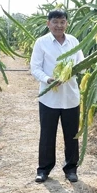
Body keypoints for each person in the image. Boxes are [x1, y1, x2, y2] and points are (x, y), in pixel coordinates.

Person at [30, 9, 84, 183]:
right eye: (55, 22)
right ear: (48, 24)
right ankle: (44, 169)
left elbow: (81, 65)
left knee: (72, 135)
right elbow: (35, 67)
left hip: (70, 97)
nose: (59, 25)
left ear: (66, 24)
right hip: (48, 99)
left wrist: (73, 71)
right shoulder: (41, 43)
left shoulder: (73, 42)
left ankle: (71, 169)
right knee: (47, 135)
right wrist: (48, 79)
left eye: (62, 22)